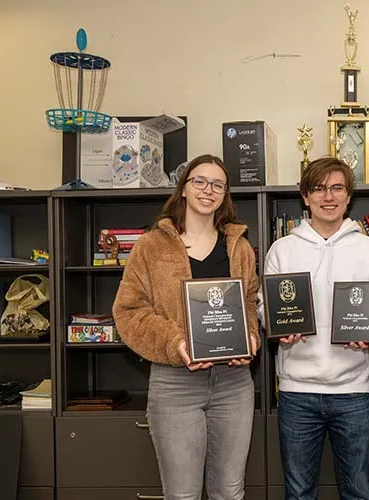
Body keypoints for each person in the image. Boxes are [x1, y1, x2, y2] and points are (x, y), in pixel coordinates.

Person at [112, 154, 260, 500]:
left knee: (229, 491)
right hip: (175, 384)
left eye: (217, 185)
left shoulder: (240, 247)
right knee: (182, 494)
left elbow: (249, 301)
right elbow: (129, 311)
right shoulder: (150, 246)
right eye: (200, 181)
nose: (208, 190)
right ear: (183, 189)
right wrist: (176, 343)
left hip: (234, 384)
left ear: (225, 195)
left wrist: (250, 336)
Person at [258, 156, 369, 500]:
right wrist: (274, 325)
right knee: (299, 492)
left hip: (352, 390)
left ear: (348, 197)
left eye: (337, 188)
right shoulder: (282, 249)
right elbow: (264, 306)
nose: (328, 196)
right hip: (296, 392)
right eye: (319, 188)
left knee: (357, 491)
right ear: (306, 196)